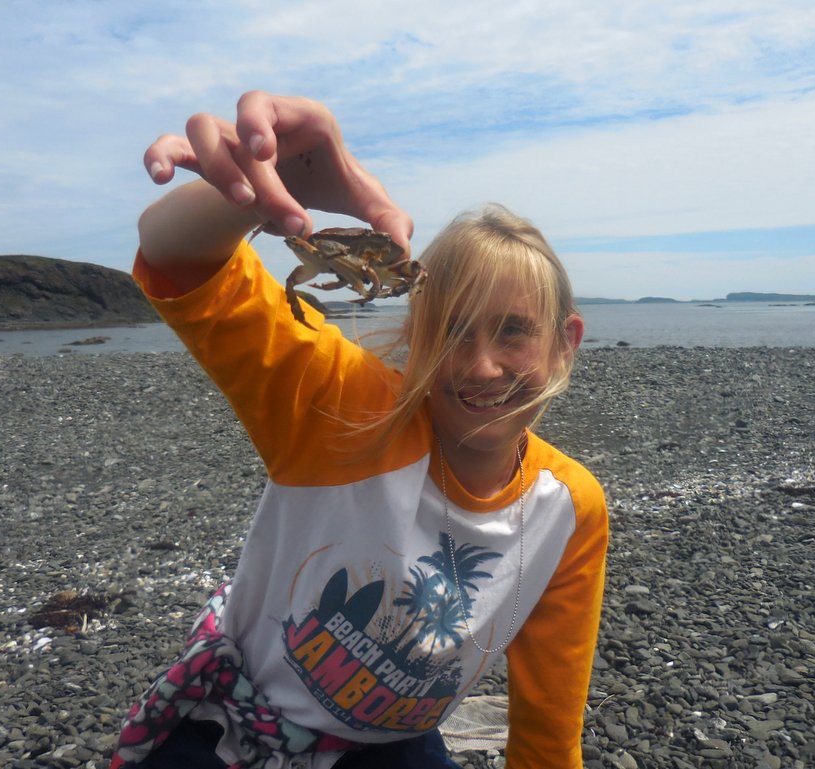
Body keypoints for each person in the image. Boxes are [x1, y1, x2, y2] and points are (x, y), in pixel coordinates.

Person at [110, 91, 608, 769]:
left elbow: (548, 735)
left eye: (514, 331)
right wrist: (258, 195)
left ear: (564, 342)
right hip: (237, 719)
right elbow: (180, 262)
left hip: (390, 747)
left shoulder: (568, 510)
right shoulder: (340, 402)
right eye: (453, 329)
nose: (483, 365)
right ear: (418, 330)